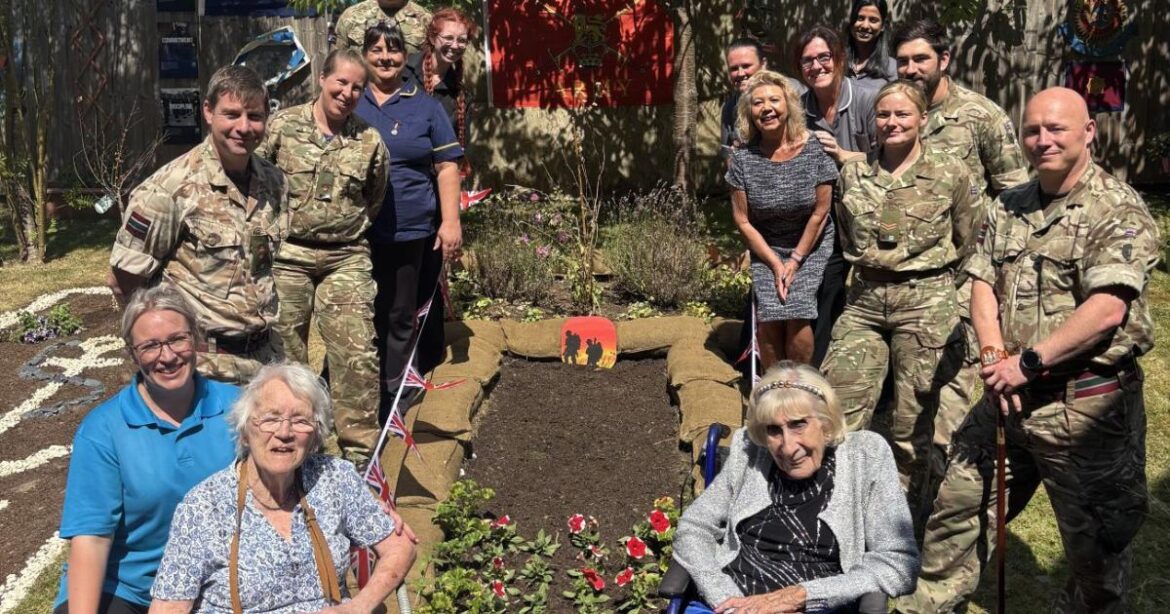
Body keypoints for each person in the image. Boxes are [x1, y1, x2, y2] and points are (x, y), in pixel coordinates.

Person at [895, 88, 1159, 614]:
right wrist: (994, 355)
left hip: (1085, 411)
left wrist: (1029, 363)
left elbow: (1108, 307)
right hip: (1007, 398)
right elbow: (982, 282)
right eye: (1033, 130)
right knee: (957, 510)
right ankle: (925, 605)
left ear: (1089, 132)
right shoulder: (1008, 205)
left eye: (1056, 129)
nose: (1042, 140)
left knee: (1095, 557)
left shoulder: (1116, 207)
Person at [820, 81, 978, 525]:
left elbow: (971, 238)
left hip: (924, 301)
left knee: (912, 424)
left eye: (902, 115)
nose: (891, 123)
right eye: (884, 115)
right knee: (839, 412)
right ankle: (838, 515)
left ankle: (904, 522)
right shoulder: (853, 173)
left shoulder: (950, 172)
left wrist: (952, 298)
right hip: (866, 302)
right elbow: (847, 234)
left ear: (922, 119)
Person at [149, 362, 417, 613]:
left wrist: (360, 605)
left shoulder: (334, 477)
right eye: (270, 419)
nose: (285, 432)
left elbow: (400, 547)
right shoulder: (203, 507)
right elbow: (168, 608)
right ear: (244, 431)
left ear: (315, 435)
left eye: (301, 420)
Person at [891, 18, 1030, 491]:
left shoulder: (980, 116)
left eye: (920, 59)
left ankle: (939, 503)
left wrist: (995, 274)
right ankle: (908, 504)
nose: (911, 68)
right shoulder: (894, 113)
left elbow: (1015, 195)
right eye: (904, 60)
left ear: (943, 60)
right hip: (907, 280)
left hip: (960, 282)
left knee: (948, 397)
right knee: (909, 402)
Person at [672, 362, 919, 613]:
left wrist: (802, 596)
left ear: (826, 422)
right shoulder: (749, 451)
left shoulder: (866, 455)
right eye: (773, 430)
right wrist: (727, 599)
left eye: (798, 424)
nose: (788, 447)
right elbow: (694, 527)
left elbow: (898, 563)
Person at [55, 283, 238, 614]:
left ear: (195, 337)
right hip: (131, 590)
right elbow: (92, 541)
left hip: (220, 581)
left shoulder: (238, 409)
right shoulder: (103, 431)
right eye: (150, 346)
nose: (167, 356)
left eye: (176, 339)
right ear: (132, 353)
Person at [107, 65, 286, 385]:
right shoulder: (170, 188)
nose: (244, 127)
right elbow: (124, 277)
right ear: (208, 111)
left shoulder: (274, 182)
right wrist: (163, 344)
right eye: (231, 114)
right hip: (203, 366)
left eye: (255, 116)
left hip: (265, 358)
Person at [256, 48, 388, 468]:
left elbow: (374, 198)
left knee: (356, 354)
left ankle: (360, 459)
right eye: (341, 83)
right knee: (283, 355)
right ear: (322, 79)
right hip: (288, 255)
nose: (348, 93)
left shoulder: (368, 140)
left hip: (345, 257)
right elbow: (255, 180)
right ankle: (294, 450)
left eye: (357, 87)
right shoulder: (283, 126)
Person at [354, 24, 463, 417]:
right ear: (365, 54)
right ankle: (355, 386)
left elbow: (447, 166)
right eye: (378, 49)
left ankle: (394, 391)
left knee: (400, 311)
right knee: (360, 311)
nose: (386, 57)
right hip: (354, 231)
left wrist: (450, 223)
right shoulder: (350, 98)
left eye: (394, 50)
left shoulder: (427, 106)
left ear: (407, 56)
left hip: (409, 227)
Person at [727, 70, 837, 366]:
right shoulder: (742, 159)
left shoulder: (814, 149)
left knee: (797, 310)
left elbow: (821, 211)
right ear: (749, 112)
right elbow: (742, 220)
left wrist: (796, 260)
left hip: (810, 244)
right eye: (758, 103)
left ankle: (800, 384)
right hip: (767, 245)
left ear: (788, 104)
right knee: (771, 313)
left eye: (774, 100)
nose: (767, 108)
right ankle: (775, 386)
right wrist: (776, 263)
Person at [794, 25, 879, 367]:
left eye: (823, 57)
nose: (816, 66)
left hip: (870, 213)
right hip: (821, 213)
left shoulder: (866, 99)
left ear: (839, 58)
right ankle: (820, 368)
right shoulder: (798, 109)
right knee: (823, 288)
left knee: (869, 296)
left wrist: (844, 155)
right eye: (807, 61)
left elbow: (893, 161)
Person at [335, 0, 432, 55]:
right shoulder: (351, 16)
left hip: (411, 88)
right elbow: (336, 62)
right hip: (361, 87)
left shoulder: (426, 19)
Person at [844, 0, 896, 90]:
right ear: (851, 22)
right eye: (860, 18)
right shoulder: (836, 63)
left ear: (883, 26)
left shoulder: (892, 69)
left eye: (873, 20)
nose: (865, 26)